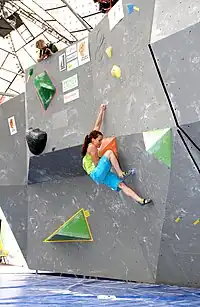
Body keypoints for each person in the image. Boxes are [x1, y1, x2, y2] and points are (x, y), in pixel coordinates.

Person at [82, 104, 152, 205]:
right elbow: (97, 164)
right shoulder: (91, 147)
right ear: (93, 139)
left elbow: (97, 125)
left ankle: (141, 200)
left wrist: (101, 110)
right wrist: (107, 161)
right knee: (109, 153)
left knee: (121, 185)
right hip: (96, 173)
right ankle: (120, 173)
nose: (100, 143)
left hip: (99, 177)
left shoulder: (92, 139)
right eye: (99, 141)